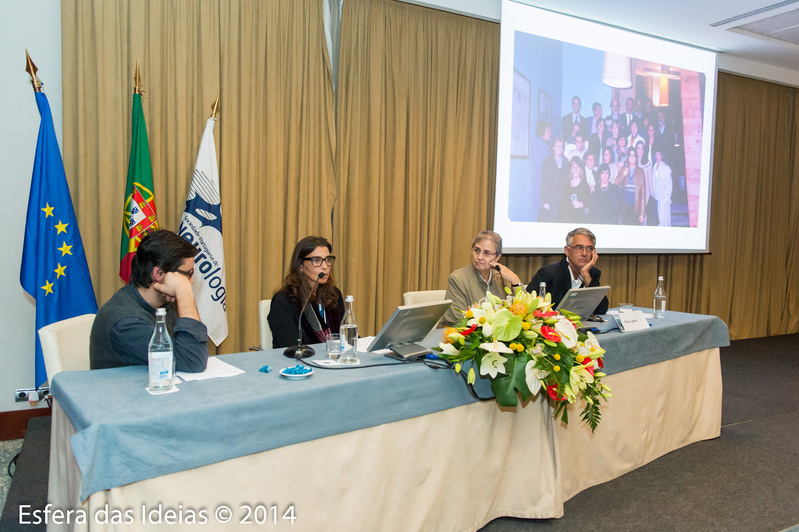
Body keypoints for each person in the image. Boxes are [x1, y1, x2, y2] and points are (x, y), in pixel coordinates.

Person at [90, 229, 209, 372]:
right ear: (158, 273)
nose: (190, 281)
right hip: (125, 392)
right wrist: (184, 294)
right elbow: (192, 362)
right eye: (188, 274)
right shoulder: (126, 323)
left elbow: (195, 352)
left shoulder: (165, 304)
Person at [268, 236, 345, 348]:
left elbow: (345, 336)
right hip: (299, 363)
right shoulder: (283, 301)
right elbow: (290, 346)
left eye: (328, 260)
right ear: (300, 266)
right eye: (317, 260)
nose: (325, 266)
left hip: (335, 360)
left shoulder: (334, 295)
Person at [442, 231, 522, 326]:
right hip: (465, 335)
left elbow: (525, 310)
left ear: (497, 257)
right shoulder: (457, 278)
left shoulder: (504, 277)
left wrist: (515, 280)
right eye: (476, 250)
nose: (479, 257)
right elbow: (457, 319)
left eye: (486, 253)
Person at [526, 227, 609, 315]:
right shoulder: (548, 273)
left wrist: (586, 276)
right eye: (579, 247)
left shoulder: (592, 273)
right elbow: (528, 306)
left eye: (589, 248)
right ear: (567, 250)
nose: (584, 253)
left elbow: (602, 309)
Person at [509, 121, 550, 222]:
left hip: (546, 179)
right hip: (538, 179)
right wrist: (550, 158)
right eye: (548, 130)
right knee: (536, 207)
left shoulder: (549, 142)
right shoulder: (536, 141)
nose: (550, 133)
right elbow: (536, 158)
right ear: (542, 130)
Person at [616, 147, 647, 225]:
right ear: (628, 157)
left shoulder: (640, 171)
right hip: (624, 206)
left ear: (636, 158)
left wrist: (642, 213)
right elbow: (616, 183)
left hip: (636, 207)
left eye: (633, 155)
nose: (632, 157)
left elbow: (643, 193)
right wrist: (623, 174)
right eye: (630, 155)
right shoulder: (623, 169)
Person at [539, 137, 567, 222]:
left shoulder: (567, 162)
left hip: (562, 202)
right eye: (557, 146)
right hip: (549, 201)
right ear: (553, 147)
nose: (559, 148)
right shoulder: (547, 161)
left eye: (561, 146)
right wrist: (544, 201)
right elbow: (543, 183)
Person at [559, 156, 592, 223]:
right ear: (570, 169)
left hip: (581, 222)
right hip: (567, 221)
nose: (575, 169)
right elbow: (561, 207)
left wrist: (582, 204)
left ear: (581, 169)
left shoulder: (585, 186)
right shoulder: (565, 186)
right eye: (573, 166)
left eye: (578, 166)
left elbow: (590, 206)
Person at [652, 149, 673, 226]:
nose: (657, 156)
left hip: (663, 198)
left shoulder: (666, 168)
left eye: (659, 154)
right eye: (656, 154)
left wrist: (666, 197)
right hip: (655, 198)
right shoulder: (653, 168)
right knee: (657, 220)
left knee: (663, 221)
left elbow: (669, 185)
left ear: (662, 156)